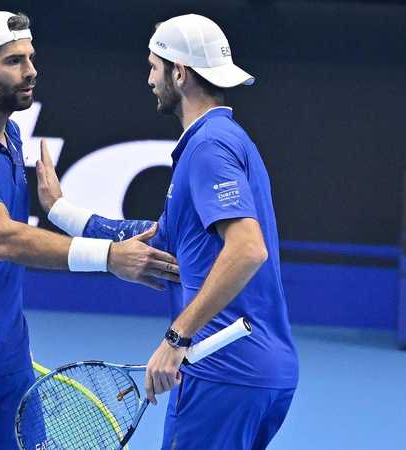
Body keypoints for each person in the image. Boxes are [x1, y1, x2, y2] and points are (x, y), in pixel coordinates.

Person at [0, 11, 179, 450]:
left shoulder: (12, 136)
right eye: (14, 61)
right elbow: (3, 239)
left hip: (9, 362)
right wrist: (109, 257)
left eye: (31, 57)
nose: (31, 70)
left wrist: (58, 207)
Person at [37, 14, 299, 450]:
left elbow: (248, 249)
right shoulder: (223, 139)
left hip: (221, 371)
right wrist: (62, 212)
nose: (149, 80)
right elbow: (160, 238)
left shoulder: (209, 146)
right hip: (261, 371)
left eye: (153, 67)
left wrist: (177, 338)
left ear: (179, 73)